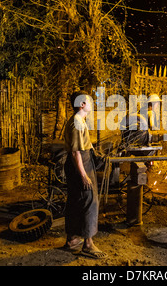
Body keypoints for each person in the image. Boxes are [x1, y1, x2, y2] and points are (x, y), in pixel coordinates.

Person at [63, 91, 107, 259]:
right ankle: (88, 245)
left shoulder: (80, 120)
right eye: (89, 101)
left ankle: (73, 239)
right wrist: (83, 174)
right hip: (80, 165)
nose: (91, 104)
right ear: (82, 105)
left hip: (84, 161)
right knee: (89, 201)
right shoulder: (76, 123)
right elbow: (75, 153)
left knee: (76, 200)